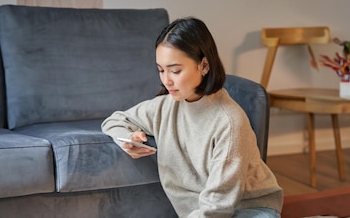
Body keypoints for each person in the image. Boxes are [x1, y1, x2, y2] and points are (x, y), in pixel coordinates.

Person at [101, 17, 283, 218]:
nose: (167, 80)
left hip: (248, 209)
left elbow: (218, 206)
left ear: (204, 65)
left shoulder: (229, 122)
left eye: (176, 70)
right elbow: (115, 120)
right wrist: (127, 140)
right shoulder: (165, 107)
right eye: (161, 70)